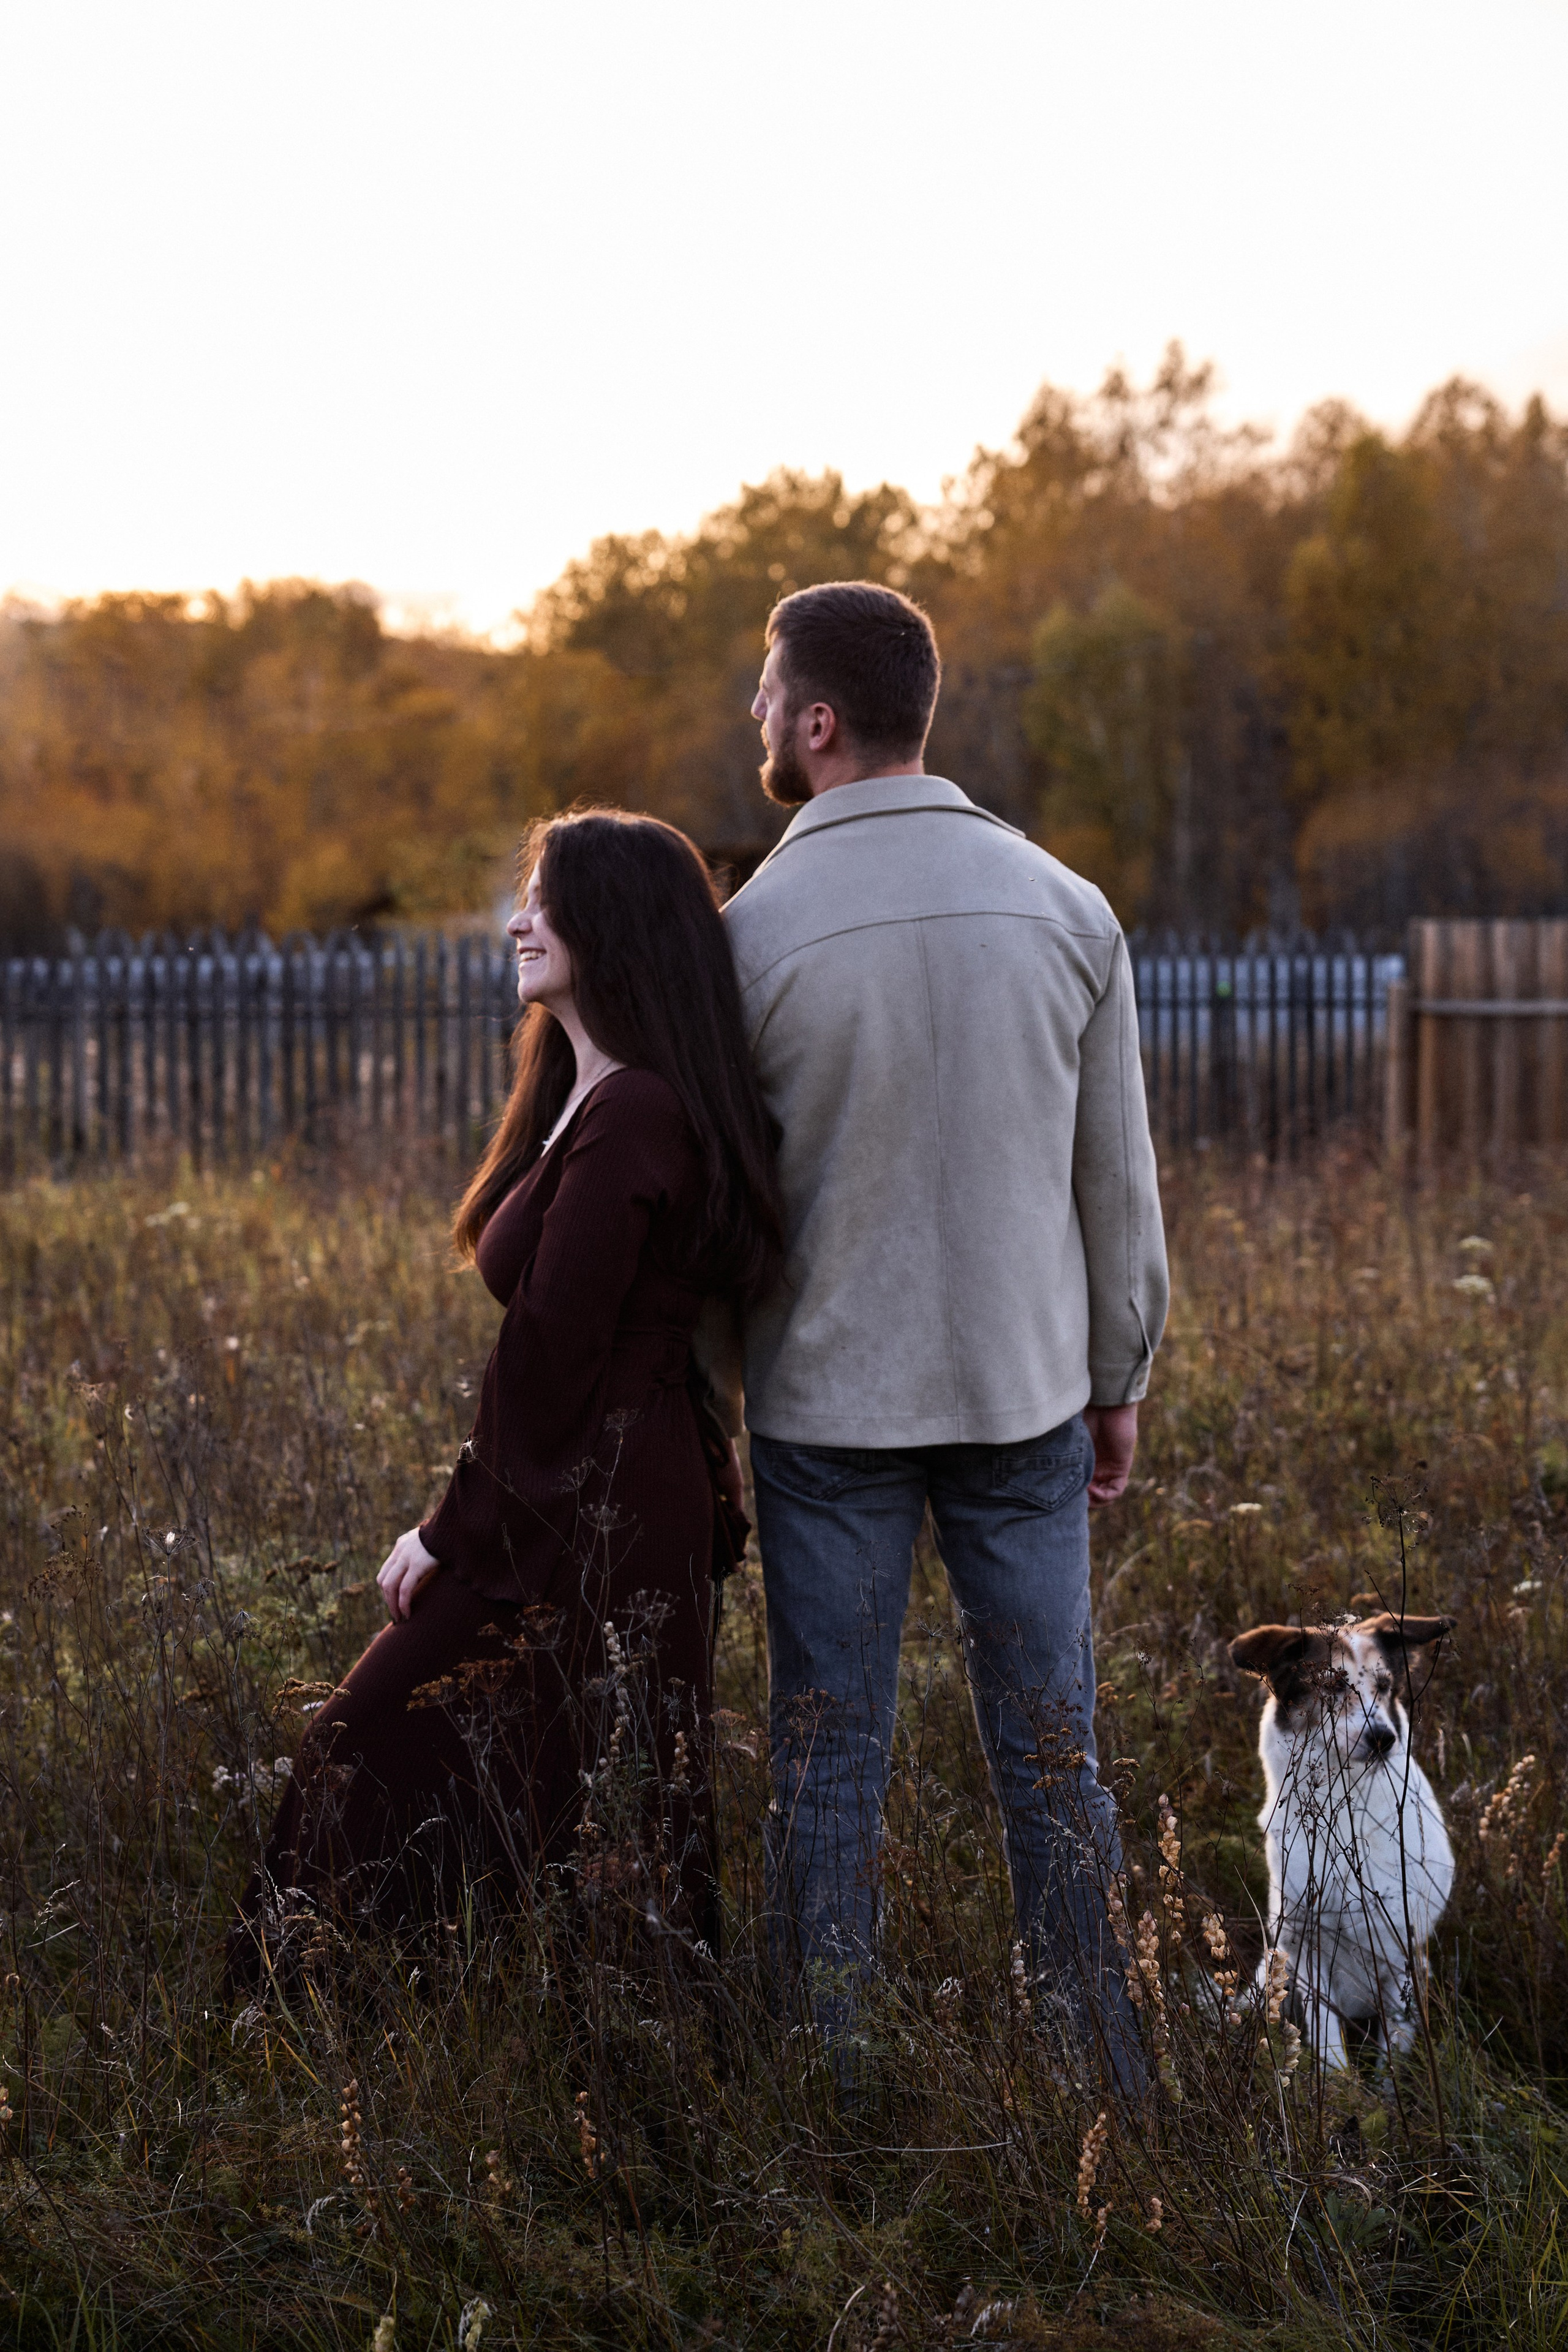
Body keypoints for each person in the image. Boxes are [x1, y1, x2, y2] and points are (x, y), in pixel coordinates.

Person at [715, 580, 1169, 2088]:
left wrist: (715, 1393)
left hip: (822, 1411)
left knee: (826, 1757)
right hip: (1022, 1395)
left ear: (817, 722)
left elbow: (722, 1208)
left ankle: (823, 2081)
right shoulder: (1065, 907)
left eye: (764, 689)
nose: (752, 711)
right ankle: (1098, 2074)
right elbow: (1114, 1182)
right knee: (1052, 1755)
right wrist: (1116, 1376)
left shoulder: (742, 939)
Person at [232, 810, 779, 1977]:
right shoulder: (595, 1094)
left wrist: (451, 1531)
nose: (519, 922)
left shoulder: (636, 1111)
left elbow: (551, 1350)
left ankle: (365, 2002)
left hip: (604, 1498)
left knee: (381, 1749)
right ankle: (488, 2015)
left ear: (612, 923)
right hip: (599, 1480)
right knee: (567, 1769)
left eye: (544, 898)